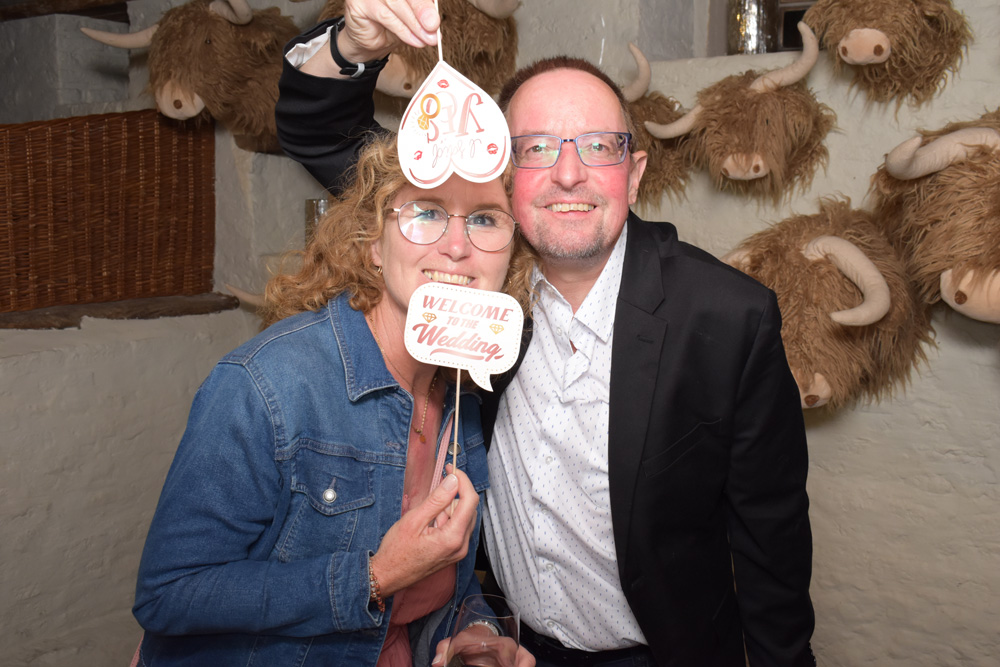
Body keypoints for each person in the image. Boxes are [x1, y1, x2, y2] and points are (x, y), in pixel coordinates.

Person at [275, 3, 817, 665]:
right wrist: (353, 43)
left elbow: (773, 549)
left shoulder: (728, 317)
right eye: (536, 148)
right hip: (514, 649)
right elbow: (323, 137)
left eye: (598, 146)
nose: (568, 174)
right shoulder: (471, 280)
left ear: (635, 173)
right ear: (499, 175)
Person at [131, 134, 537, 666]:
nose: (457, 246)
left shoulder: (465, 396)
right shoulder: (267, 384)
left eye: (485, 219)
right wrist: (374, 576)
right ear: (373, 242)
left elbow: (439, 582)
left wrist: (476, 631)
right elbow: (168, 595)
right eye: (426, 211)